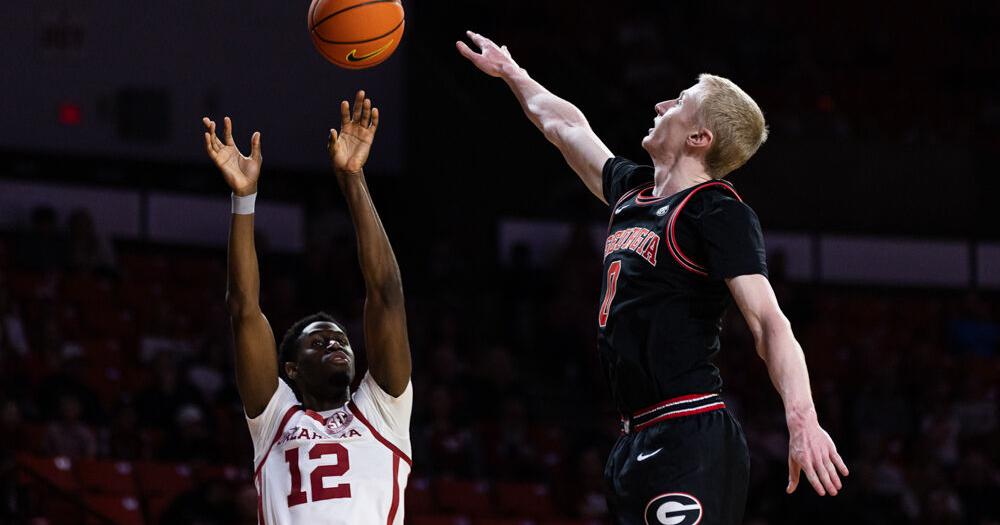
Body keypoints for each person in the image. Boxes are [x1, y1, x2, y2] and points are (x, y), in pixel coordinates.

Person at [458, 32, 848, 524]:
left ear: (699, 138)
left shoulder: (716, 210)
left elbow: (769, 322)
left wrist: (803, 418)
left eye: (679, 102)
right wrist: (513, 73)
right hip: (632, 439)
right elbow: (565, 126)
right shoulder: (632, 192)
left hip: (688, 430)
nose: (662, 105)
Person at [202, 90, 412, 525]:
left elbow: (386, 294)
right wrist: (245, 198)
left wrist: (353, 177)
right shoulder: (274, 418)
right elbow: (244, 309)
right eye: (318, 342)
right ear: (292, 370)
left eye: (340, 340)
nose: (335, 343)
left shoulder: (383, 411)